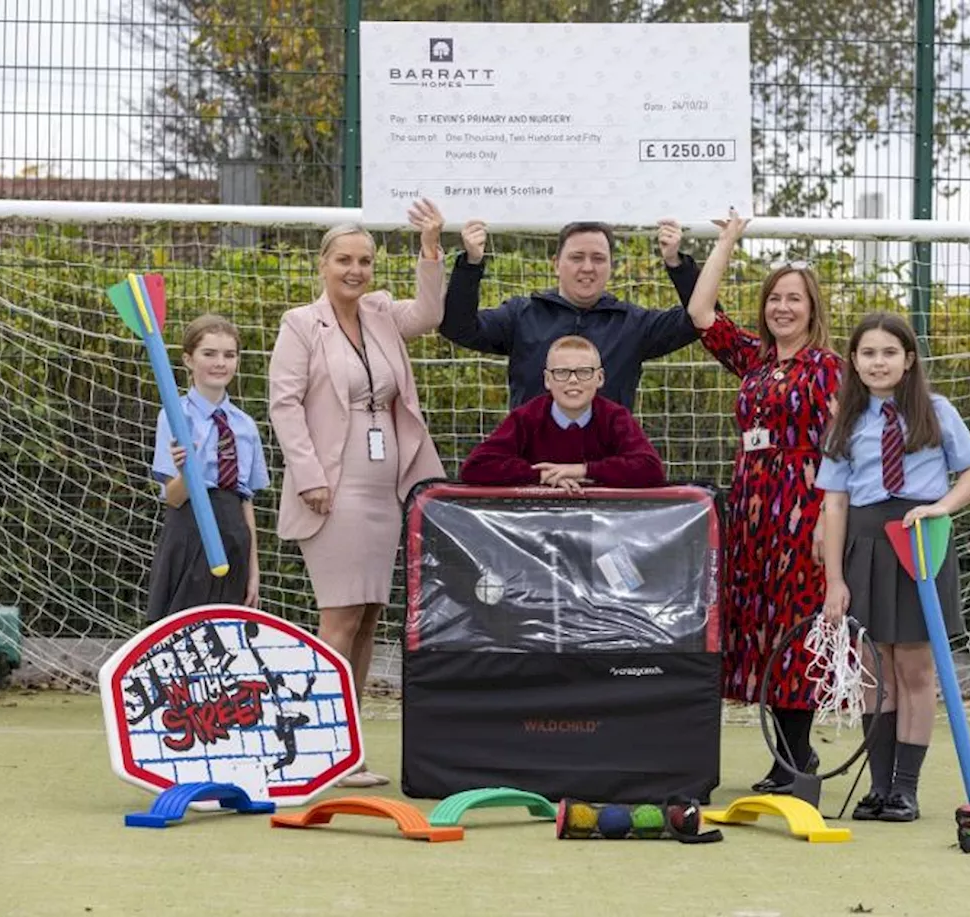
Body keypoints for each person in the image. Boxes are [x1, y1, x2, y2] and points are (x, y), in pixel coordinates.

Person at [268, 199, 448, 788]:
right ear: (322, 265)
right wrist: (309, 475)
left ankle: (347, 746)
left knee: (369, 616)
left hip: (384, 491)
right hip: (334, 488)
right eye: (344, 260)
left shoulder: (378, 312)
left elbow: (428, 312)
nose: (355, 270)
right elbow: (285, 404)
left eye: (365, 261)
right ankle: (320, 748)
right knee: (340, 617)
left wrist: (429, 247)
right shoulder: (300, 323)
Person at [687, 210, 842, 794]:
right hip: (752, 516)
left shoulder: (829, 370)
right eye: (774, 298)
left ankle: (800, 765)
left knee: (793, 636)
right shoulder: (753, 359)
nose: (782, 307)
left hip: (803, 515)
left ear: (812, 308)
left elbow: (842, 452)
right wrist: (727, 240)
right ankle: (785, 761)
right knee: (760, 634)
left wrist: (828, 523)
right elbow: (701, 313)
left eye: (794, 299)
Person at [818, 312, 970, 822]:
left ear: (908, 359)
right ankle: (879, 786)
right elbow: (835, 505)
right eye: (868, 353)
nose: (878, 362)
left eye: (889, 352)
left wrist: (940, 507)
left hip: (918, 544)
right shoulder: (846, 422)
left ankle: (906, 791)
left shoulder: (936, 412)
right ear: (854, 361)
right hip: (866, 546)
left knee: (914, 667)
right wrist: (834, 579)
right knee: (874, 670)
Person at [439, 218, 716, 409]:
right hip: (533, 469)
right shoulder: (522, 315)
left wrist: (676, 264)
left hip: (607, 472)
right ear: (556, 264)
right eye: (576, 257)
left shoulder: (632, 324)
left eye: (598, 259)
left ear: (610, 266)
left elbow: (705, 321)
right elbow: (458, 328)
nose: (587, 267)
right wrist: (471, 263)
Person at [148, 314, 269, 620]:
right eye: (209, 353)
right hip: (189, 535)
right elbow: (173, 498)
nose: (220, 363)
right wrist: (192, 465)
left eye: (229, 355)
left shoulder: (244, 425)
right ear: (189, 360)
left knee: (227, 641)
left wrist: (253, 570)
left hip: (233, 539)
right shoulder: (175, 418)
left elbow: (246, 501)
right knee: (182, 638)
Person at [459, 335, 666, 490]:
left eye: (584, 372)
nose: (573, 380)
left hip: (604, 522)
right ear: (547, 380)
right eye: (561, 372)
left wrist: (583, 470)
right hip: (535, 523)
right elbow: (476, 466)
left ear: (600, 378)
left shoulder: (615, 418)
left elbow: (651, 469)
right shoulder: (526, 418)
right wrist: (543, 475)